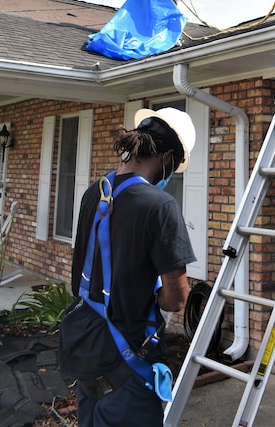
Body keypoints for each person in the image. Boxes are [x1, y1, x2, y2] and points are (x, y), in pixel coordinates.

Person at [71, 107, 196, 427]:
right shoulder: (160, 205)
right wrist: (160, 300)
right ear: (168, 157)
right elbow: (178, 296)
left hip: (85, 344)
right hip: (129, 357)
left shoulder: (93, 193)